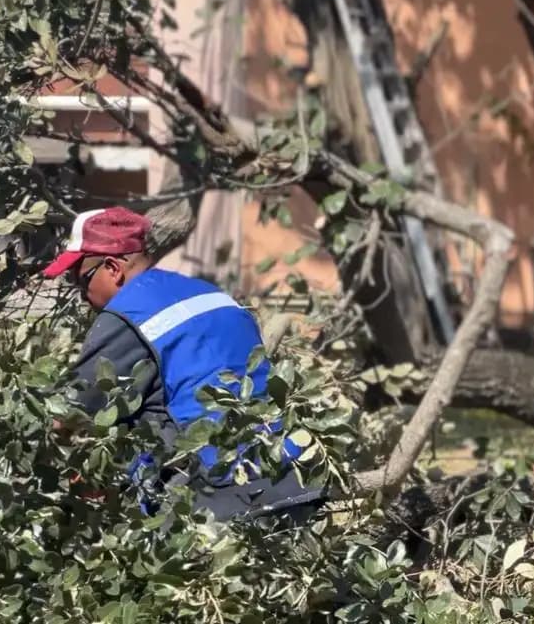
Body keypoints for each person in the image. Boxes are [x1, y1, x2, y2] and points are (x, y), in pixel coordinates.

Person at [43, 205, 324, 522]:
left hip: (219, 499)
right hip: (291, 475)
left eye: (82, 282)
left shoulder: (127, 315)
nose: (82, 297)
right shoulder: (211, 293)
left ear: (112, 268)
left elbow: (68, 412)